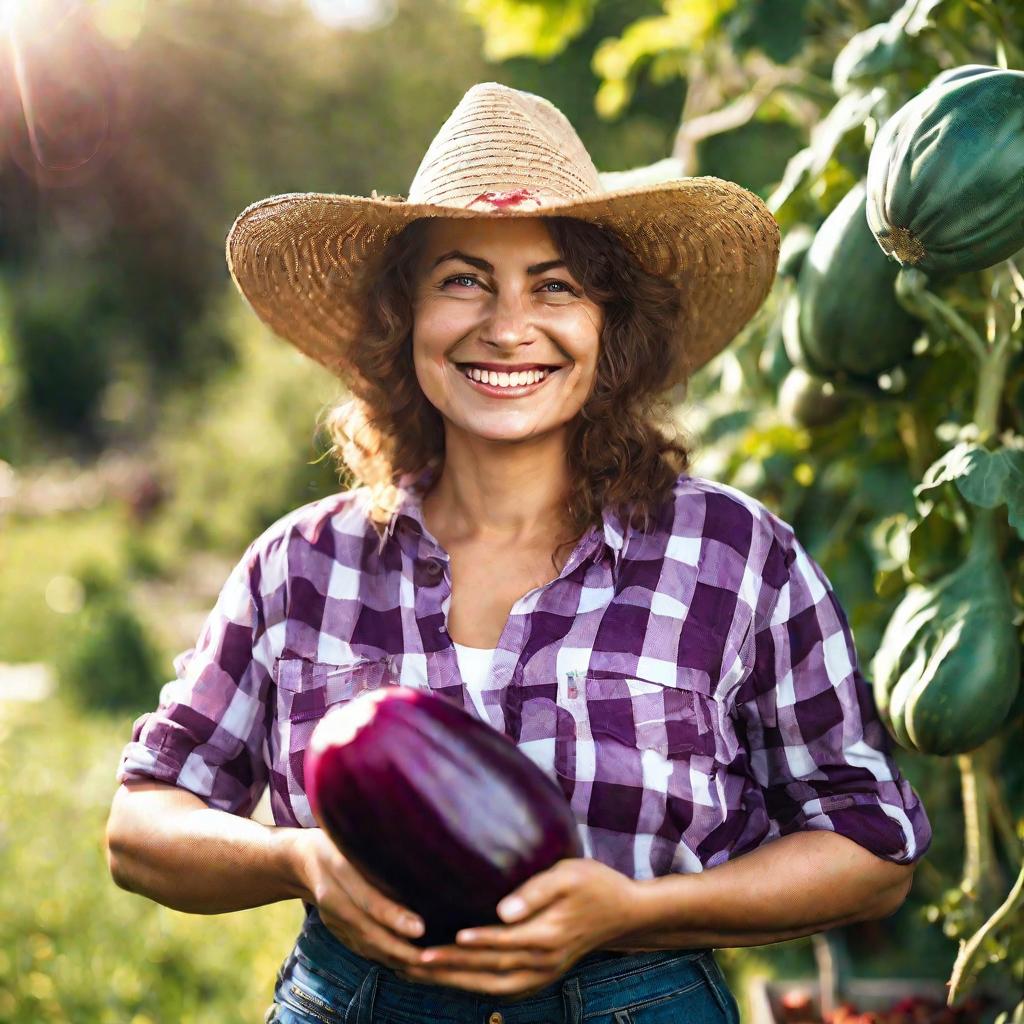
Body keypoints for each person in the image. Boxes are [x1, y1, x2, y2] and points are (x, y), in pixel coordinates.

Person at [105, 82, 933, 1024]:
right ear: (403, 319)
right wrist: (297, 859)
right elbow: (141, 828)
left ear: (608, 328)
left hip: (642, 999)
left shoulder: (735, 558)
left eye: (555, 286)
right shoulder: (303, 564)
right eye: (463, 279)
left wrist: (640, 909)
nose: (507, 326)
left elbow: (872, 852)